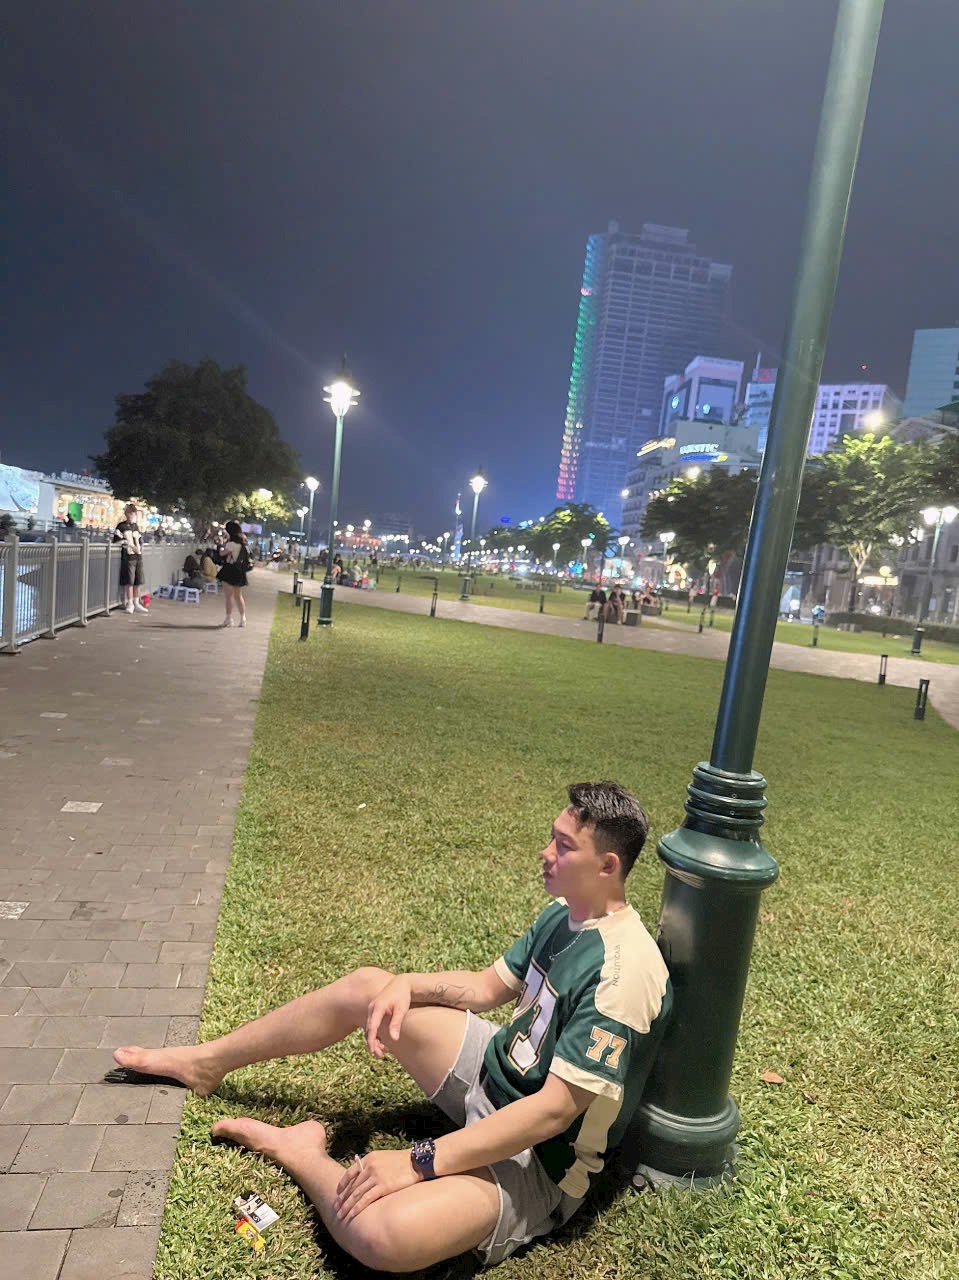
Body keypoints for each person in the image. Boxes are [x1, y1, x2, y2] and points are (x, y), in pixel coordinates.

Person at [112, 782, 671, 1272]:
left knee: (382, 1234)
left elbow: (552, 1111)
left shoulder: (623, 973)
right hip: (495, 1069)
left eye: (564, 846)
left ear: (608, 867)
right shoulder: (566, 910)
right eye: (552, 838)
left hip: (537, 1160)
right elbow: (487, 987)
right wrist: (405, 983)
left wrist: (418, 1160)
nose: (546, 854)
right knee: (369, 987)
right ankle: (206, 1063)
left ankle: (301, 1152)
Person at [113, 503, 149, 614]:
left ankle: (136, 602)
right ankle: (130, 603)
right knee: (129, 581)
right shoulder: (121, 526)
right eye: (129, 513)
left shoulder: (135, 526)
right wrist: (129, 545)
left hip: (138, 556)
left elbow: (140, 540)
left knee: (138, 580)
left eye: (133, 513)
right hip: (128, 556)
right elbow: (116, 541)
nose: (131, 515)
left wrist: (138, 547)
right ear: (126, 514)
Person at [217, 519, 252, 627]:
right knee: (238, 596)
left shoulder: (231, 544)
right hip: (239, 572)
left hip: (230, 570)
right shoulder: (243, 543)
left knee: (229, 596)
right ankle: (243, 619)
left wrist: (221, 544)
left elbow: (222, 554)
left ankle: (228, 619)